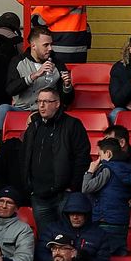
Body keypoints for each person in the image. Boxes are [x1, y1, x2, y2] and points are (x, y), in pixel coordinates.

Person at [22, 87, 91, 234]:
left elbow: (83, 158)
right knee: (46, 239)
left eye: (46, 101)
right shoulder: (33, 125)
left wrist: (73, 186)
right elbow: (25, 156)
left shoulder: (72, 125)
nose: (41, 105)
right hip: (38, 195)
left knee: (68, 238)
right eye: (39, 101)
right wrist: (29, 186)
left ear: (57, 103)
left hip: (64, 195)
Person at [0, 26, 74, 136]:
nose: (50, 48)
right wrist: (35, 75)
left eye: (51, 44)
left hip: (46, 111)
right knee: (2, 109)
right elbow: (10, 89)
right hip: (21, 108)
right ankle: (2, 143)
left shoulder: (58, 64)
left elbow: (66, 101)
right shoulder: (18, 61)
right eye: (46, 45)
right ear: (33, 46)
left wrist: (67, 86)